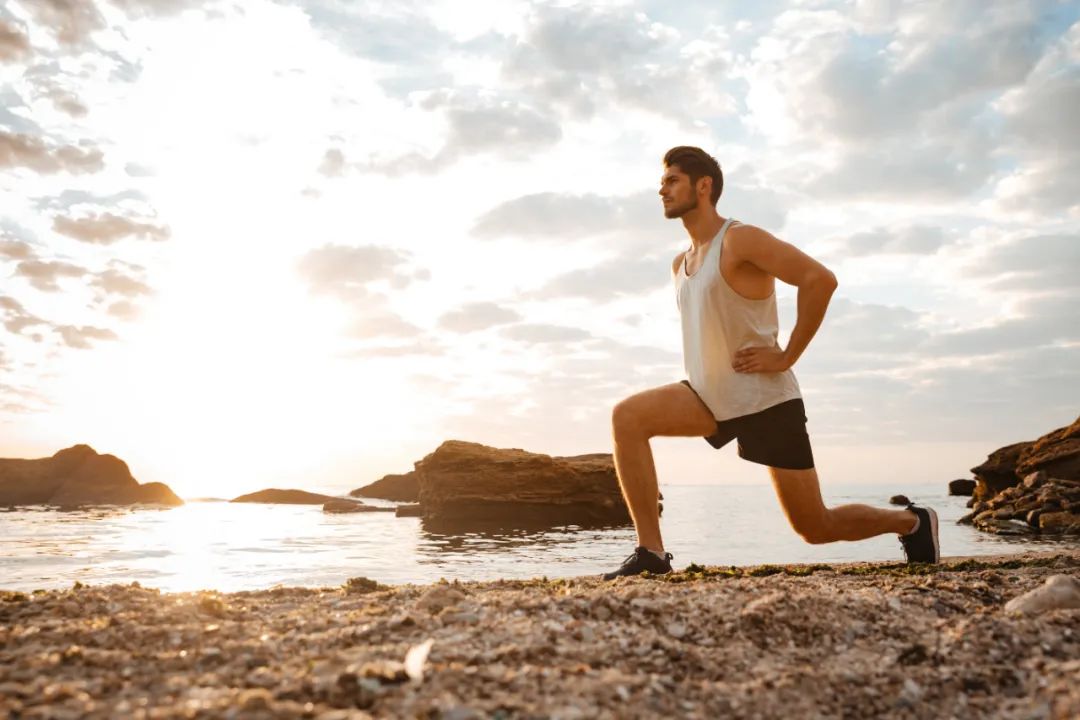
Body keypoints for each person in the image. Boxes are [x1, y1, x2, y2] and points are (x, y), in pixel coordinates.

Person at [603, 146, 939, 580]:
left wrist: (788, 354)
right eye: (662, 181)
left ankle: (912, 522)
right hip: (709, 395)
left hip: (764, 399)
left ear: (703, 186)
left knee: (815, 526)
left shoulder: (740, 239)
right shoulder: (680, 262)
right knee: (628, 417)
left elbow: (820, 279)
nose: (661, 189)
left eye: (671, 180)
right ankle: (650, 551)